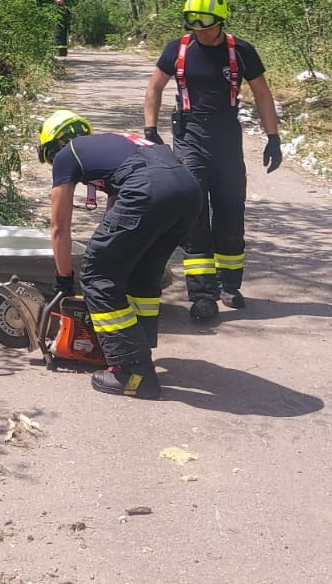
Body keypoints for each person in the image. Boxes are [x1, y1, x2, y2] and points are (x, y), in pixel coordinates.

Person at [39, 109, 211, 399]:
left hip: (149, 190)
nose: (56, 165)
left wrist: (63, 281)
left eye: (50, 158)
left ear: (56, 144)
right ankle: (138, 346)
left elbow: (59, 228)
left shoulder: (68, 153)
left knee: (96, 275)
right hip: (187, 192)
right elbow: (118, 219)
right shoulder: (118, 144)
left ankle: (132, 371)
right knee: (142, 272)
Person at [142, 0, 282, 318]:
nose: (200, 31)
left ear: (220, 20)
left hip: (226, 137)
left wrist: (273, 137)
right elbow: (154, 87)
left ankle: (229, 285)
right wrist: (150, 130)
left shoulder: (241, 51)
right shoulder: (178, 49)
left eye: (206, 24)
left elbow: (262, 94)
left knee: (230, 211)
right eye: (194, 24)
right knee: (193, 214)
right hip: (189, 135)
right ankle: (202, 294)